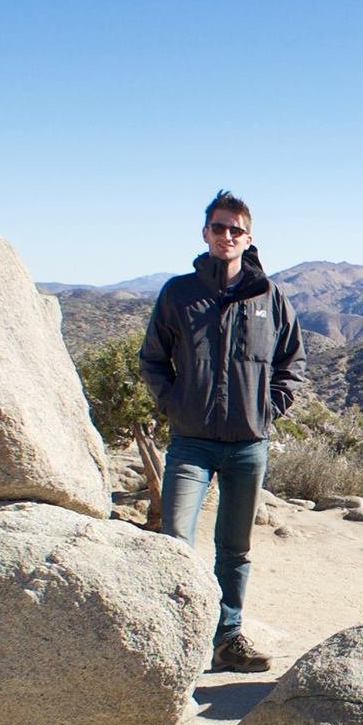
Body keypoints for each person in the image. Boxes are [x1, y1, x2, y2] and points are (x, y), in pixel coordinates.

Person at [139, 189, 305, 673]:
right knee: (175, 539)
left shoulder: (268, 297)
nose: (226, 235)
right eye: (219, 227)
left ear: (248, 237)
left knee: (235, 549)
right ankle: (172, 638)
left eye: (235, 229)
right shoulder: (178, 293)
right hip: (190, 441)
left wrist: (269, 408)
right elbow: (152, 358)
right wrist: (173, 403)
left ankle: (227, 638)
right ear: (205, 233)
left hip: (248, 444)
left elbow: (292, 359)